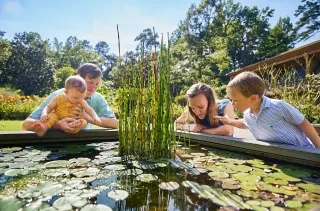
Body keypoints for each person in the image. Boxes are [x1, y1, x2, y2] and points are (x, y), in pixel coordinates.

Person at [219, 71, 320, 148]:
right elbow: (245, 123)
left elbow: (304, 124)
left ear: (253, 98)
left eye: (235, 100)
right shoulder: (248, 114)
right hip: (276, 157)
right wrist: (229, 121)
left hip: (301, 152)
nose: (232, 103)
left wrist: (317, 149)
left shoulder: (278, 106)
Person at [22, 63, 118, 133]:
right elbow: (26, 124)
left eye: (97, 83)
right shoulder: (59, 95)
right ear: (78, 78)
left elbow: (115, 124)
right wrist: (58, 125)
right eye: (90, 82)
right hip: (55, 147)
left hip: (83, 147)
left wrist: (86, 117)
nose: (94, 87)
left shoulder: (98, 98)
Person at [31, 76, 101, 137]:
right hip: (58, 117)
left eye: (82, 97)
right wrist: (44, 114)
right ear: (66, 92)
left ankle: (73, 125)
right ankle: (41, 129)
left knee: (83, 122)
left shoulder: (81, 100)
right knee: (51, 117)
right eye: (75, 98)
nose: (79, 100)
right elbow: (48, 107)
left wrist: (95, 117)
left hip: (74, 119)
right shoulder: (59, 98)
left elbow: (89, 109)